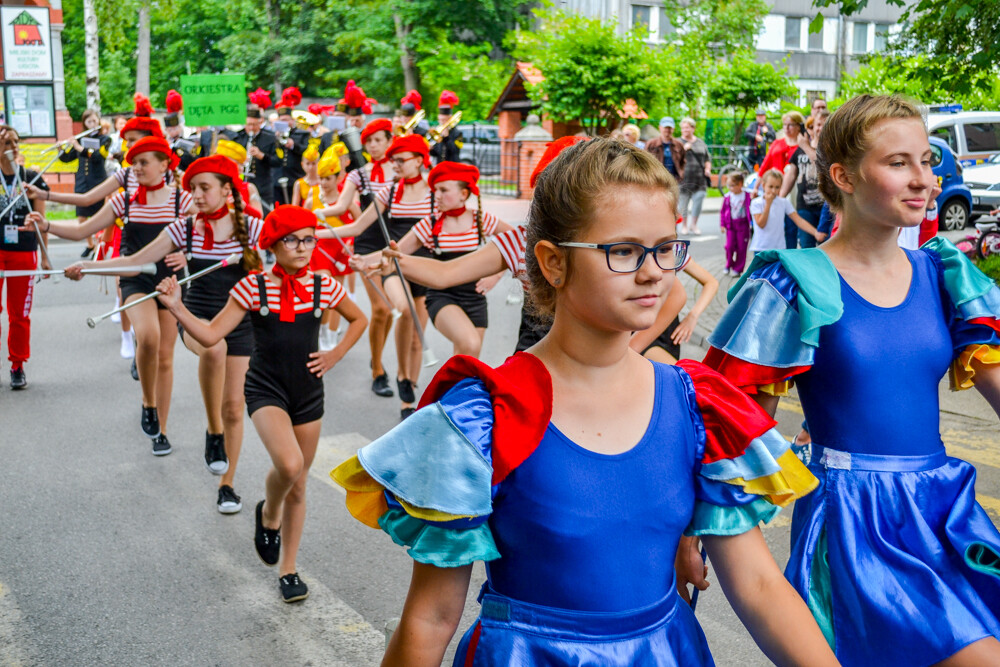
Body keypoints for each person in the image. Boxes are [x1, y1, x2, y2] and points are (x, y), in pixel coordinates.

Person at [332, 137, 837, 666]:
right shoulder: (481, 418)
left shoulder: (698, 408)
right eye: (622, 251)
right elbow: (430, 617)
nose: (653, 273)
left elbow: (758, 585)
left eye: (666, 248)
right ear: (551, 262)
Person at [705, 94, 1000, 666]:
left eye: (928, 161)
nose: (923, 180)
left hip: (943, 509)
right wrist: (689, 538)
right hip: (856, 520)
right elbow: (724, 424)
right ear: (842, 175)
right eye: (898, 163)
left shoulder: (944, 274)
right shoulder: (794, 283)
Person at [157, 205, 367, 602]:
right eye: (293, 240)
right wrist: (177, 308)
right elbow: (211, 334)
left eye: (309, 239)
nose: (304, 247)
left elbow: (359, 320)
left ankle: (288, 569)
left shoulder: (324, 285)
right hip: (266, 388)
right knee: (290, 465)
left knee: (300, 485)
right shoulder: (253, 286)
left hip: (308, 390)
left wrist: (334, 355)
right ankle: (268, 513)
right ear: (273, 244)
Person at [63, 155, 265, 512]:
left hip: (241, 323)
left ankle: (227, 484)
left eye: (205, 188)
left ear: (227, 190)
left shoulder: (250, 227)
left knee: (236, 407)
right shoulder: (182, 229)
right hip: (196, 316)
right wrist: (88, 267)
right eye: (194, 189)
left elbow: (288, 250)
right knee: (213, 348)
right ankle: (213, 432)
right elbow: (133, 260)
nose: (198, 196)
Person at [31, 136, 190, 454]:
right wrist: (46, 224)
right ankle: (148, 402)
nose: (137, 168)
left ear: (165, 164)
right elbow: (80, 231)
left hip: (170, 281)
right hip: (133, 278)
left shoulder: (182, 201)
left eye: (144, 162)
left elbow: (203, 238)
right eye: (134, 163)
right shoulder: (123, 201)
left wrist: (186, 256)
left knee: (165, 358)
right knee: (148, 337)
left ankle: (162, 430)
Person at [321, 134, 435, 419]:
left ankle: (408, 400)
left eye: (401, 160)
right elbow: (358, 226)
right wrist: (312, 229)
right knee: (402, 309)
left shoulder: (435, 191)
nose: (394, 165)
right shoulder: (389, 191)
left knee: (417, 339)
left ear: (419, 161)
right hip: (393, 264)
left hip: (428, 267)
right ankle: (398, 374)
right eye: (393, 160)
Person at [356, 162, 512, 362]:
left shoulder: (480, 219)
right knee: (470, 343)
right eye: (435, 190)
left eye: (443, 190)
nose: (436, 195)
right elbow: (395, 252)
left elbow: (517, 240)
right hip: (443, 296)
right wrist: (363, 260)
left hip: (475, 297)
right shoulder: (429, 223)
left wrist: (495, 275)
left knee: (468, 362)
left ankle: (452, 393)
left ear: (464, 194)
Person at [315, 117, 396, 397]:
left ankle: (379, 357)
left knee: (395, 310)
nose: (373, 146)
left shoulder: (398, 170)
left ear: (389, 140)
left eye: (378, 140)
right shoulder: (358, 175)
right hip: (367, 242)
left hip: (397, 241)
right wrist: (316, 214)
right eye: (368, 141)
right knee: (382, 309)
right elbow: (339, 206)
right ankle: (377, 370)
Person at [0, 127, 49, 390]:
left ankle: (17, 365)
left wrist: (45, 256)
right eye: (7, 142)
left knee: (19, 314)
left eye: (16, 142)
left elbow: (41, 223)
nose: (13, 146)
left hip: (23, 251)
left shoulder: (32, 178)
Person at [59, 109, 111, 259]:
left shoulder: (105, 139)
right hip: (82, 182)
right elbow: (67, 158)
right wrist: (61, 149)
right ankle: (90, 244)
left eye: (94, 121)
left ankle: (99, 244)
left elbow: (98, 157)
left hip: (97, 182)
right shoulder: (80, 139)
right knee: (82, 216)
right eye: (89, 122)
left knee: (98, 216)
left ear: (98, 121)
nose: (92, 124)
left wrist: (79, 147)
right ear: (85, 124)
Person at [781, 110, 829, 249]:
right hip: (804, 207)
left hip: (825, 207)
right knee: (806, 247)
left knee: (826, 249)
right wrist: (779, 197)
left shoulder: (829, 149)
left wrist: (805, 146)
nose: (820, 128)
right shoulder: (800, 150)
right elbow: (791, 174)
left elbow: (822, 164)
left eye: (824, 125)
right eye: (818, 125)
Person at [750, 169, 825, 253]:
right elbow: (761, 224)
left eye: (777, 187)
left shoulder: (783, 202)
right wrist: (768, 204)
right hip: (761, 248)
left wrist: (815, 233)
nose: (774, 191)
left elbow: (798, 220)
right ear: (763, 185)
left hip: (779, 248)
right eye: (770, 186)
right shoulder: (756, 203)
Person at [234, 92, 280, 210]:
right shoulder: (239, 137)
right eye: (248, 124)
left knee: (263, 213)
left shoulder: (270, 137)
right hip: (244, 182)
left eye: (254, 125)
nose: (251, 128)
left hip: (263, 184)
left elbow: (278, 161)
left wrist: (262, 156)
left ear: (260, 123)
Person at [274, 87, 311, 206]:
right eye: (281, 120)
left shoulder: (302, 133)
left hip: (295, 175)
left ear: (292, 120)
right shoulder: (274, 135)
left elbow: (306, 151)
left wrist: (293, 145)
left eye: (286, 120)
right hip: (278, 177)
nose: (284, 122)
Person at [754, 111, 804, 194]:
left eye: (791, 125)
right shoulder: (777, 143)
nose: (786, 128)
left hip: (794, 189)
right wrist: (756, 187)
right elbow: (764, 166)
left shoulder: (803, 146)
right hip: (774, 188)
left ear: (799, 126)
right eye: (784, 124)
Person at [676, 117, 711, 235]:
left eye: (687, 127)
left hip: (700, 180)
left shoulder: (700, 142)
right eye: (683, 128)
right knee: (683, 204)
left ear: (693, 128)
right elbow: (675, 159)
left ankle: (694, 225)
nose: (685, 130)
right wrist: (683, 150)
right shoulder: (678, 143)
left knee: (698, 203)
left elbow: (707, 158)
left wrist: (707, 169)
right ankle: (684, 226)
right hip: (683, 180)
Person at [720, 171, 752, 275]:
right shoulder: (727, 197)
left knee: (741, 248)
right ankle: (728, 264)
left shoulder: (747, 195)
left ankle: (738, 269)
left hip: (743, 225)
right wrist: (722, 224)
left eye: (732, 185)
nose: (730, 188)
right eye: (728, 185)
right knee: (729, 246)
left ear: (740, 184)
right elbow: (723, 211)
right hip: (731, 225)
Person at [429, 90, 463, 164]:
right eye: (440, 120)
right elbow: (437, 153)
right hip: (440, 166)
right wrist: (431, 149)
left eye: (444, 120)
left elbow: (455, 151)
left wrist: (446, 138)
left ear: (450, 119)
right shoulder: (438, 132)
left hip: (452, 167)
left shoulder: (457, 133)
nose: (442, 122)